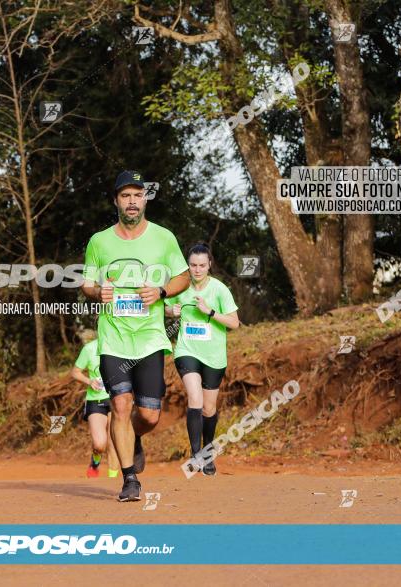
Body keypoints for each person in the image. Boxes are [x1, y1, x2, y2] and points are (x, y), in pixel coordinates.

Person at [81, 170, 190, 502]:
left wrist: (160, 290)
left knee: (148, 415)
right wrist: (97, 291)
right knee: (120, 405)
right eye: (125, 195)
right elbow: (86, 283)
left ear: (145, 199)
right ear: (116, 201)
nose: (132, 201)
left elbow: (184, 278)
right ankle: (130, 479)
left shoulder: (164, 238)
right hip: (113, 338)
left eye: (137, 195)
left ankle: (135, 438)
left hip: (150, 339)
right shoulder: (99, 242)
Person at [165, 242, 239, 475]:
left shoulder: (219, 290)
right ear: (188, 265)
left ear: (209, 265)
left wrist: (210, 312)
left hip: (214, 356)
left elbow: (234, 323)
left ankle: (207, 453)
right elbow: (163, 306)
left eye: (202, 265)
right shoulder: (180, 287)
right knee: (194, 398)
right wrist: (170, 311)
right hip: (187, 351)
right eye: (193, 265)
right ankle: (196, 455)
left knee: (209, 408)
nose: (197, 270)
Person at [70, 329, 120, 478]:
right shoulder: (89, 348)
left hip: (115, 399)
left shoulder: (120, 346)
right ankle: (95, 463)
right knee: (100, 444)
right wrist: (89, 381)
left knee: (114, 443)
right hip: (95, 400)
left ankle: (113, 480)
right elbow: (75, 372)